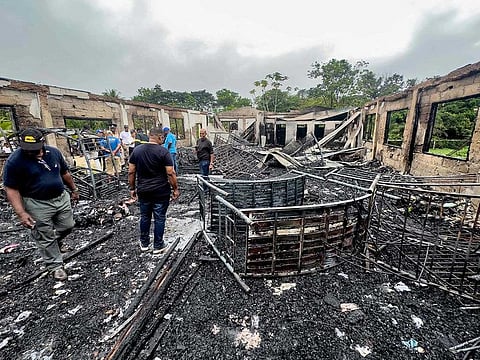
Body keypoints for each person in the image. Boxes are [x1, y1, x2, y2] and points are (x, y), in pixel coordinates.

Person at [2, 128, 79, 281]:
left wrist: (74, 189)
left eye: (34, 149)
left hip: (60, 198)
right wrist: (21, 213)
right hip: (36, 202)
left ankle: (54, 243)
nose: (30, 152)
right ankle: (55, 266)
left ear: (42, 143)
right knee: (44, 234)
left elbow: (65, 173)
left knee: (68, 225)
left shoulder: (54, 153)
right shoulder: (15, 161)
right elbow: (11, 188)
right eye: (27, 149)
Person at [128, 127, 180, 255]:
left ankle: (144, 243)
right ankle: (158, 245)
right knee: (159, 218)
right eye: (163, 137)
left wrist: (132, 189)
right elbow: (171, 172)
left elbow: (131, 171)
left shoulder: (137, 151)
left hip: (143, 190)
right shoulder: (163, 152)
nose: (163, 139)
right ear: (159, 137)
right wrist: (175, 189)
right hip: (160, 191)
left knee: (145, 217)